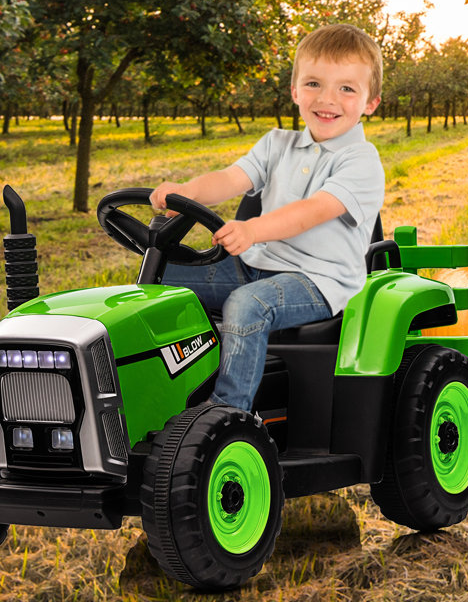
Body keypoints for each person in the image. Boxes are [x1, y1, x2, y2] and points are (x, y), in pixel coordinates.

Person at [150, 23, 385, 412]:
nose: (327, 99)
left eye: (346, 88)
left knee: (247, 305)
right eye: (313, 84)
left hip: (318, 280)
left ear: (370, 102)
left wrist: (252, 229)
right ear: (295, 90)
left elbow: (313, 212)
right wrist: (189, 190)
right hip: (255, 265)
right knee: (161, 281)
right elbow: (230, 178)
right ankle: (165, 397)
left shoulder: (362, 161)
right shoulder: (277, 143)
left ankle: (228, 415)